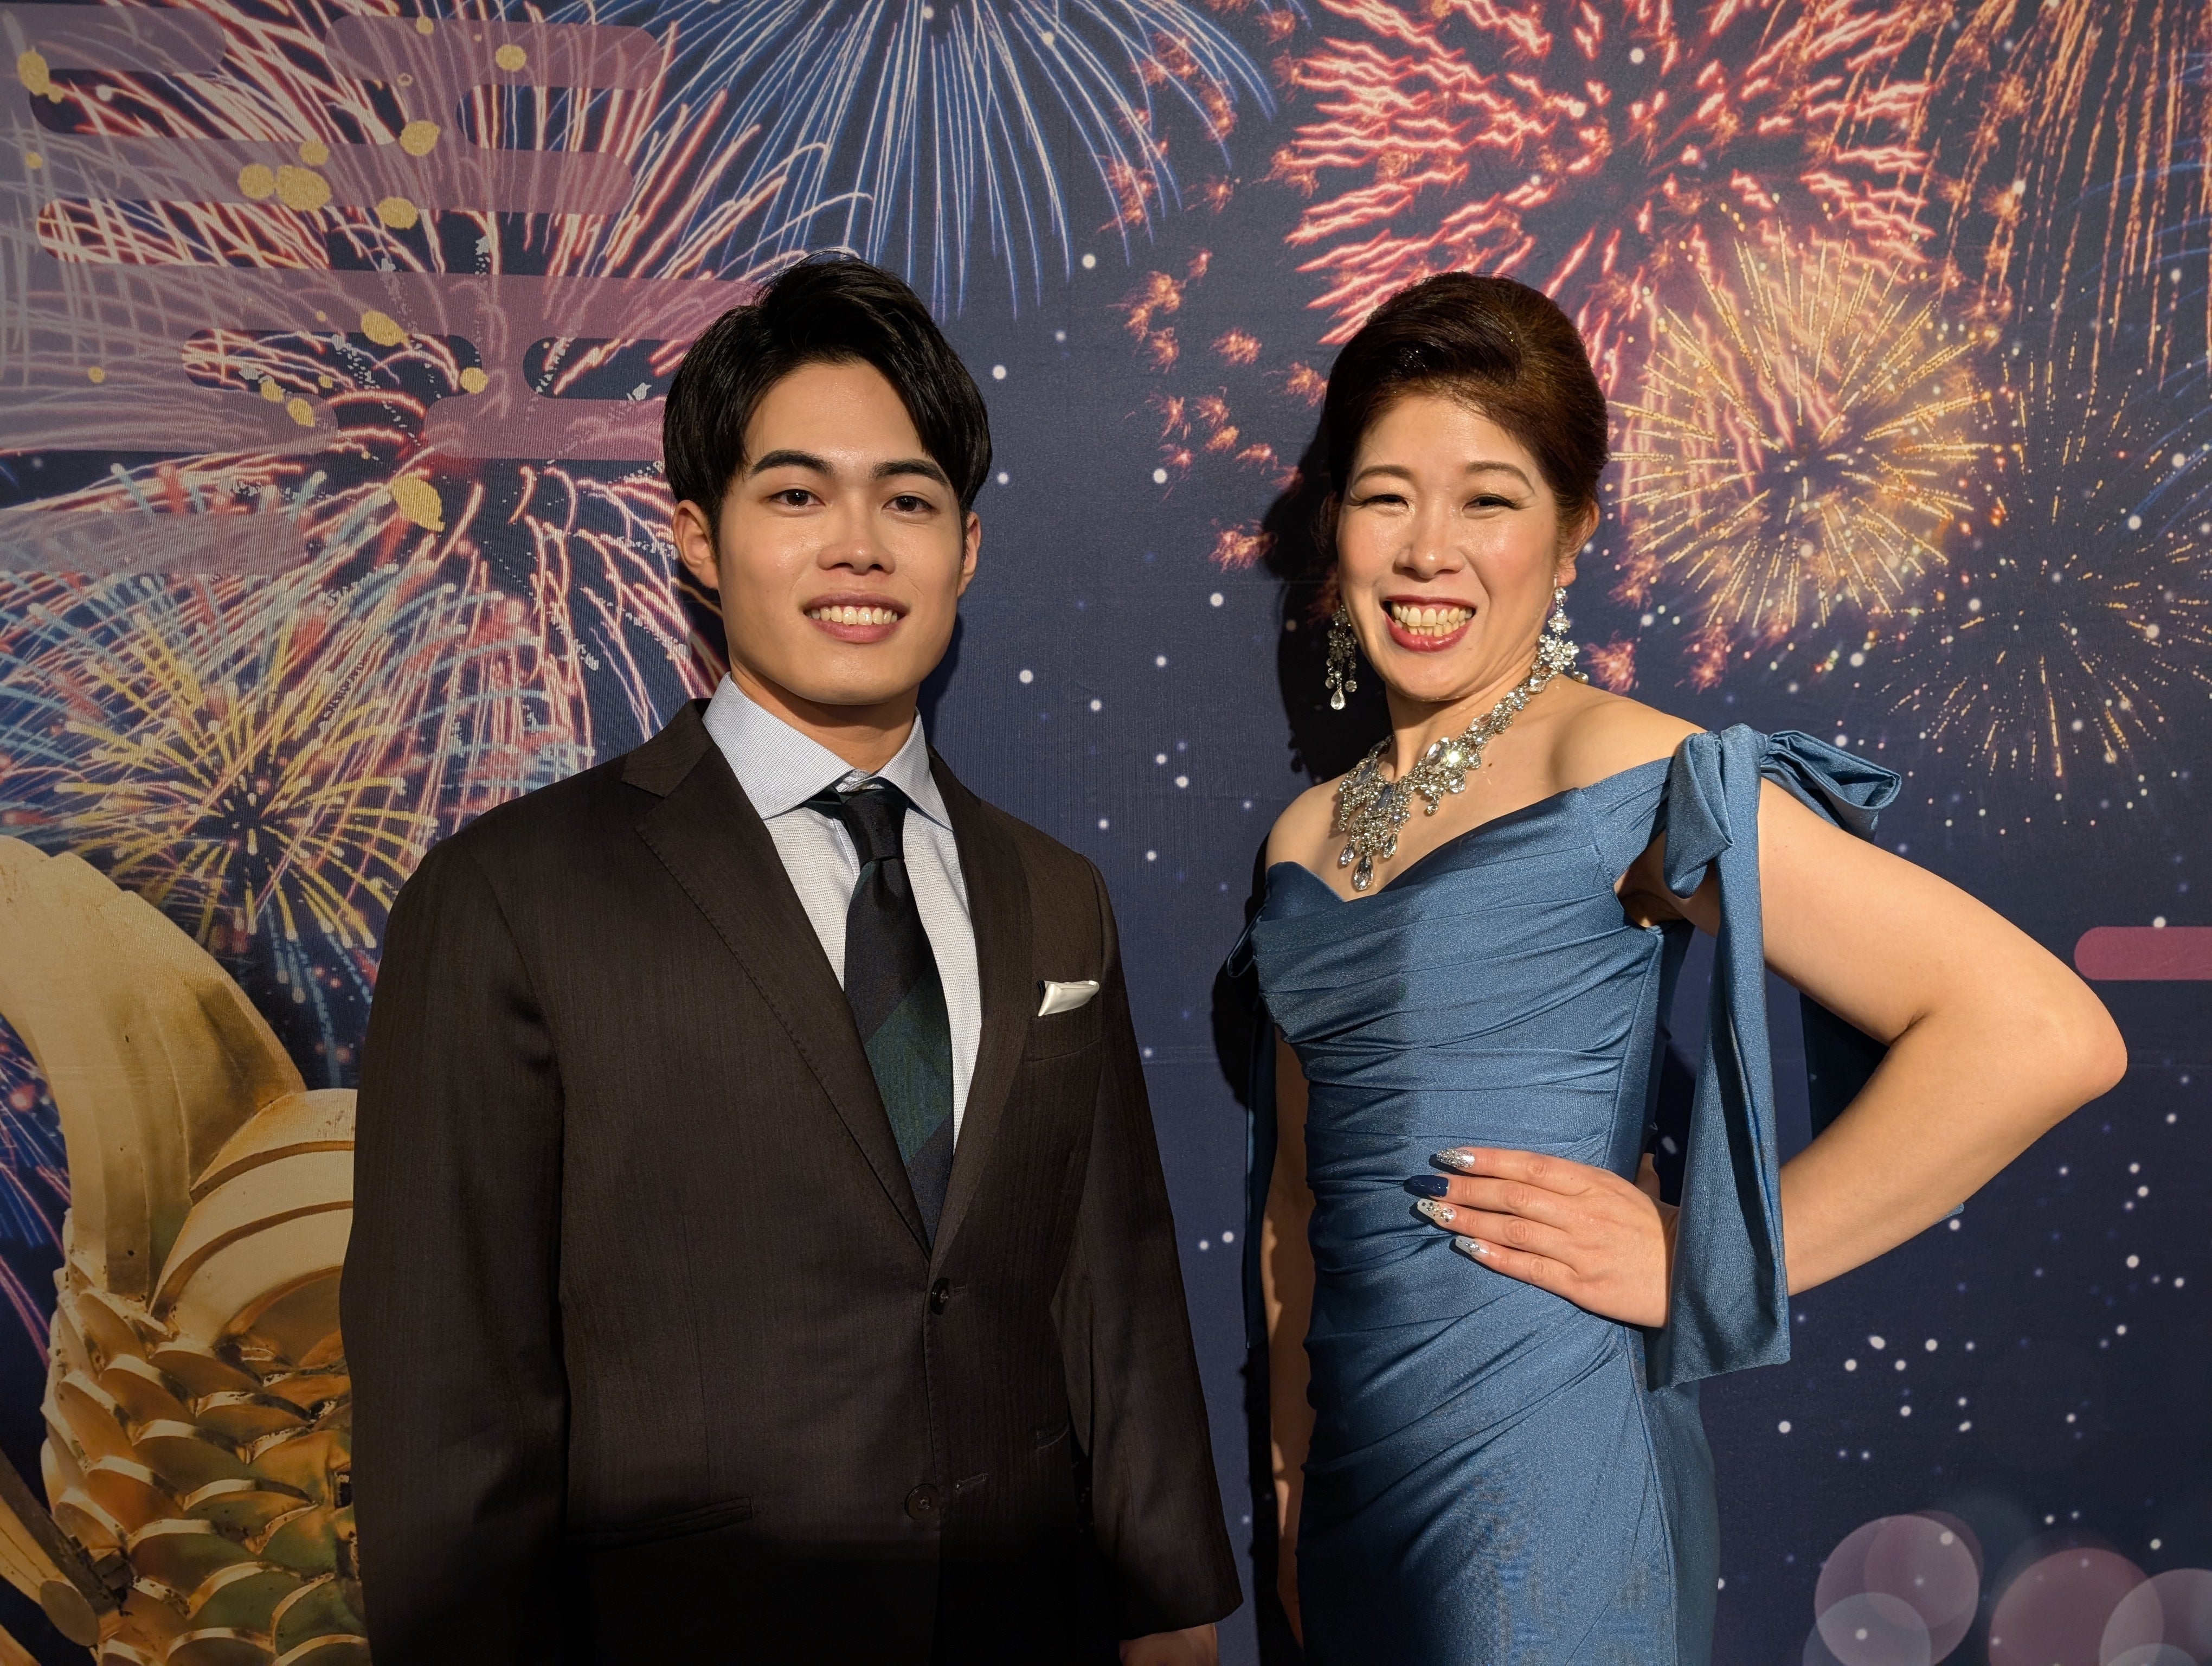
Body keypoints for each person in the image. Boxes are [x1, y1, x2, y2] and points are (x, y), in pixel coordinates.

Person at [344, 257, 1240, 1665]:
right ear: (699, 539)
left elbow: (1113, 1291)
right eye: (797, 496)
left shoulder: (1056, 894)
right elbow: (446, 1388)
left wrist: (1173, 1611)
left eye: (908, 501)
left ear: (966, 548)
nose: (859, 547)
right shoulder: (512, 896)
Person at [1233, 272, 2127, 1663]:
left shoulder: (1621, 765)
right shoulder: (1305, 837)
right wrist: (1290, 1484)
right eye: (1385, 495)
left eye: (1489, 499)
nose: (1428, 550)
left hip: (1544, 1472)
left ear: (1572, 534)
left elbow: (2040, 1032)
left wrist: (1708, 1257)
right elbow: (1299, 1195)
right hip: (1353, 1493)